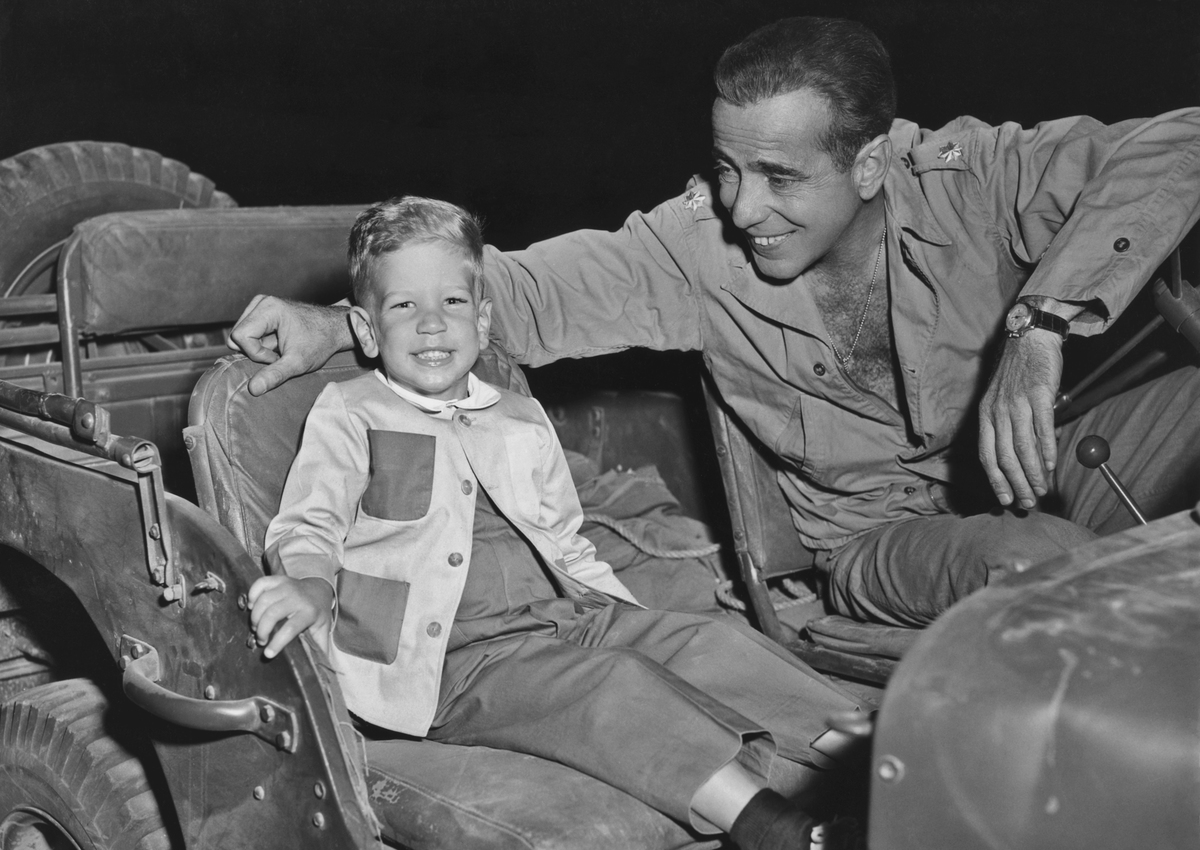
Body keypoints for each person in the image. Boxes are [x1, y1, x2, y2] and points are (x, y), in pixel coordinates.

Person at [232, 17, 1200, 627]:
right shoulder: (695, 250)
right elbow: (520, 294)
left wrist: (1040, 325)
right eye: (729, 168)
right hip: (883, 542)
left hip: (1038, 471)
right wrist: (337, 323)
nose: (742, 207)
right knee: (1049, 570)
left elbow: (1180, 143)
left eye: (779, 177)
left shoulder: (974, 180)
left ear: (870, 165)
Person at [247, 196, 864, 850]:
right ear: (366, 329)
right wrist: (310, 581)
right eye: (404, 305)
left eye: (452, 302)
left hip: (562, 616)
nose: (432, 323)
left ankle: (876, 758)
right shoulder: (351, 410)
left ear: (483, 319)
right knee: (610, 687)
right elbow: (308, 521)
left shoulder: (518, 416)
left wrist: (625, 617)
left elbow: (566, 540)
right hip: (453, 660)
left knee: (708, 640)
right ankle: (781, 843)